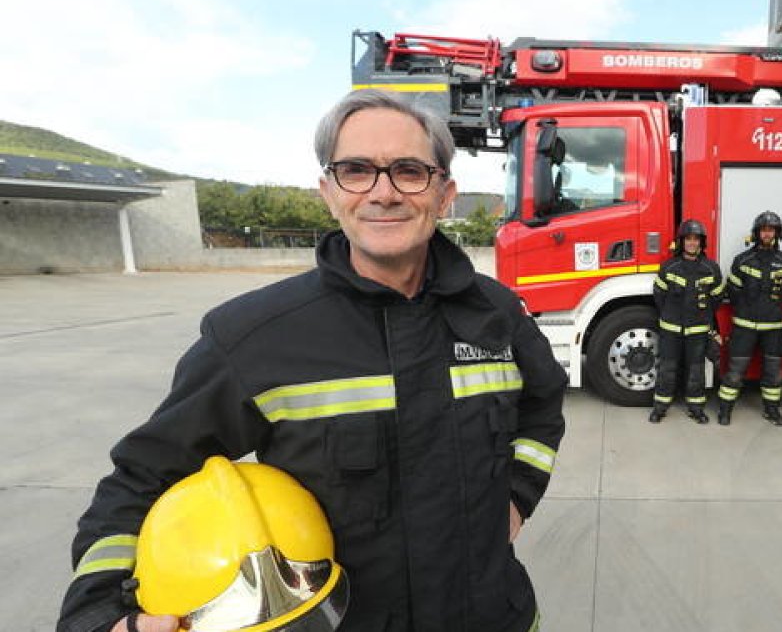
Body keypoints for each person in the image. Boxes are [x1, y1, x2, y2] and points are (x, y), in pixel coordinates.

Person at [57, 89, 567, 632]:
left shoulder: (498, 313)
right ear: (329, 192)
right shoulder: (253, 336)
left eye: (410, 171)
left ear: (445, 195)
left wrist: (515, 498)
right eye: (356, 170)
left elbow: (542, 404)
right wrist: (100, 612)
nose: (383, 192)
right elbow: (141, 478)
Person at [715, 211, 782, 426]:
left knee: (773, 374)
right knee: (735, 372)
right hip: (744, 327)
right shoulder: (742, 260)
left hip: (773, 328)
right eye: (764, 229)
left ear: (777, 234)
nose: (767, 233)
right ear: (757, 233)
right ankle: (725, 410)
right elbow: (733, 290)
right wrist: (748, 308)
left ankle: (772, 410)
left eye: (771, 230)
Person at [650, 219, 724, 424]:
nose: (692, 243)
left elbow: (716, 299)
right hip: (671, 329)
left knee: (696, 370)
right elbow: (659, 296)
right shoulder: (669, 267)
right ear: (681, 242)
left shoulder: (711, 269)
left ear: (701, 243)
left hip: (698, 330)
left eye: (696, 239)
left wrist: (702, 319)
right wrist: (671, 316)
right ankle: (660, 407)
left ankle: (696, 408)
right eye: (688, 239)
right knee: (667, 368)